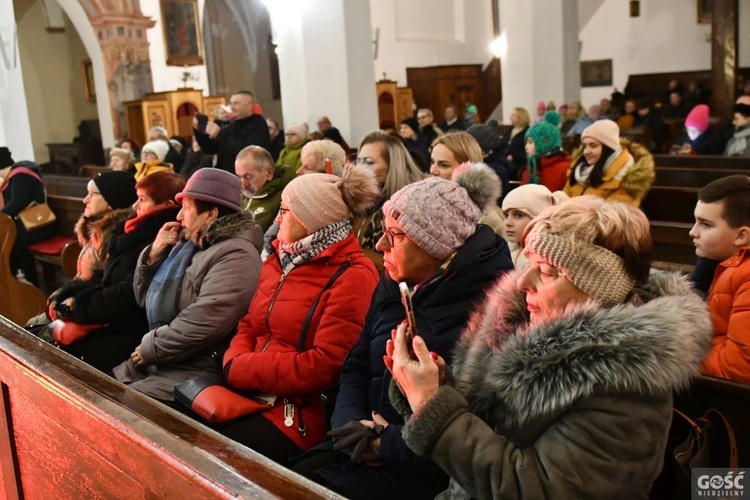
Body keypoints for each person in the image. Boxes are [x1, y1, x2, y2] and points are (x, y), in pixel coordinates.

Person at [386, 195, 713, 499]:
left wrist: (433, 407)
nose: (523, 282)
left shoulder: (628, 383)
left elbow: (535, 488)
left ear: (596, 289)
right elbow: (490, 423)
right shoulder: (522, 326)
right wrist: (434, 386)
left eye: (546, 271)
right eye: (527, 262)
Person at [293, 164, 513, 498]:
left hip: (424, 476)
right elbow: (356, 364)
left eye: (395, 236)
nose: (380, 245)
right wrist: (350, 426)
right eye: (383, 231)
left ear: (438, 247)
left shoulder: (492, 313)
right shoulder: (394, 281)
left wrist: (385, 444)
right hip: (358, 447)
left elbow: (476, 427)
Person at [220, 165, 381, 463]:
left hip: (298, 412)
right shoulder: (282, 258)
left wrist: (244, 369)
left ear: (311, 220)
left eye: (284, 210)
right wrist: (236, 362)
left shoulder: (353, 274)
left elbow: (327, 364)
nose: (277, 218)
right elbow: (249, 324)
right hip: (249, 390)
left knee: (223, 456)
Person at [112, 168, 263, 403]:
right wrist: (152, 255)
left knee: (121, 408)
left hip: (197, 370)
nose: (179, 216)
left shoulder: (237, 255)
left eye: (187, 208)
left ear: (211, 214)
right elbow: (143, 297)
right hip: (165, 360)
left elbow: (207, 319)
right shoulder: (189, 243)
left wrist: (151, 347)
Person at [50, 172, 185, 374]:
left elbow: (130, 292)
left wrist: (80, 306)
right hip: (108, 314)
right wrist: (72, 296)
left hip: (132, 327)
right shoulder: (129, 230)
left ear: (167, 205)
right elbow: (103, 274)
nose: (135, 206)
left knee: (69, 366)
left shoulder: (164, 239)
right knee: (40, 341)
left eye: (142, 200)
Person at [690, 175, 750, 383]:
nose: (693, 232)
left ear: (741, 236)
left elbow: (737, 367)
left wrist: (673, 358)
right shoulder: (718, 263)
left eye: (705, 224)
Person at [353, 131, 425, 270]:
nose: (360, 168)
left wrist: (353, 253)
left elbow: (404, 266)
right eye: (358, 161)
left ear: (392, 166)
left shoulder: (408, 206)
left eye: (368, 162)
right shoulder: (357, 201)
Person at [430, 131, 506, 236]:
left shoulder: (486, 220)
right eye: (432, 162)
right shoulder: (428, 204)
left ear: (465, 169)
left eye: (444, 165)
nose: (433, 170)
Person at [564, 119, 654, 207]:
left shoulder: (627, 177)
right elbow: (565, 196)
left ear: (608, 148)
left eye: (593, 145)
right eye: (584, 146)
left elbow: (613, 217)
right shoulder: (579, 168)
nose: (586, 152)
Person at [0, 157, 55, 282]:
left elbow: (18, 203)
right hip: (28, 224)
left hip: (39, 225)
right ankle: (12, 279)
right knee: (7, 235)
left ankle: (22, 281)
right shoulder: (14, 176)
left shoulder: (21, 175)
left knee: (9, 238)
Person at [193, 90, 271, 173]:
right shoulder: (231, 126)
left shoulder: (258, 125)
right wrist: (199, 131)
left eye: (236, 103)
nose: (232, 107)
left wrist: (219, 135)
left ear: (250, 106)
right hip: (225, 175)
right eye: (231, 103)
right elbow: (210, 149)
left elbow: (247, 152)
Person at [501, 184, 568, 269]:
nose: (508, 222)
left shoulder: (545, 259)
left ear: (539, 217)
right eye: (506, 215)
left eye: (518, 215)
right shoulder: (509, 250)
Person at [235, 145, 296, 232]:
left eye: (248, 176)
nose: (243, 184)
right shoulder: (240, 194)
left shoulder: (285, 199)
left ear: (269, 173)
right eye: (239, 177)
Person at [521, 111, 570, 192]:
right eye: (526, 142)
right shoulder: (529, 169)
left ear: (545, 142)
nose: (526, 147)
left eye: (530, 142)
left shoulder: (564, 169)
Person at [498, 107, 530, 179]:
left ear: (521, 117)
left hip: (519, 163)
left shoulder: (527, 132)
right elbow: (502, 145)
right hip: (505, 161)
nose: (510, 117)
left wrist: (514, 156)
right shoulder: (509, 130)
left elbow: (528, 151)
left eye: (513, 115)